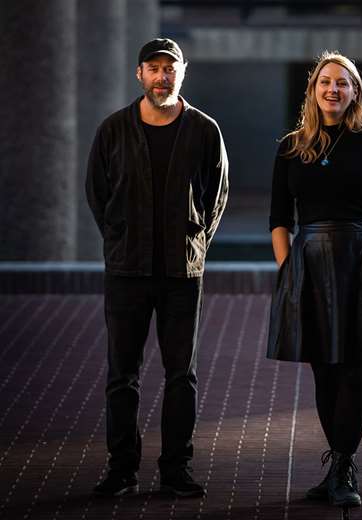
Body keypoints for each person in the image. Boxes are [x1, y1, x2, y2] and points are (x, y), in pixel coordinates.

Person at [86, 38, 229, 497]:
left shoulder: (205, 131)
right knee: (120, 374)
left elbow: (217, 195)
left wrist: (196, 244)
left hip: (181, 274)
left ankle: (175, 471)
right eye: (153, 68)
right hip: (127, 271)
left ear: (182, 73)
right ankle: (122, 470)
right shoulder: (112, 130)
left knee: (180, 375)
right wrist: (119, 240)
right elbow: (98, 193)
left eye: (170, 68)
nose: (162, 76)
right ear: (139, 74)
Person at [267, 51, 362, 508]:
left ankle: (344, 466)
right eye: (326, 81)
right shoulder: (290, 146)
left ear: (355, 92)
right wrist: (289, 268)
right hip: (309, 263)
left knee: (354, 371)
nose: (333, 89)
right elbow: (278, 218)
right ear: (313, 90)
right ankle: (336, 468)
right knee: (323, 372)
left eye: (343, 83)